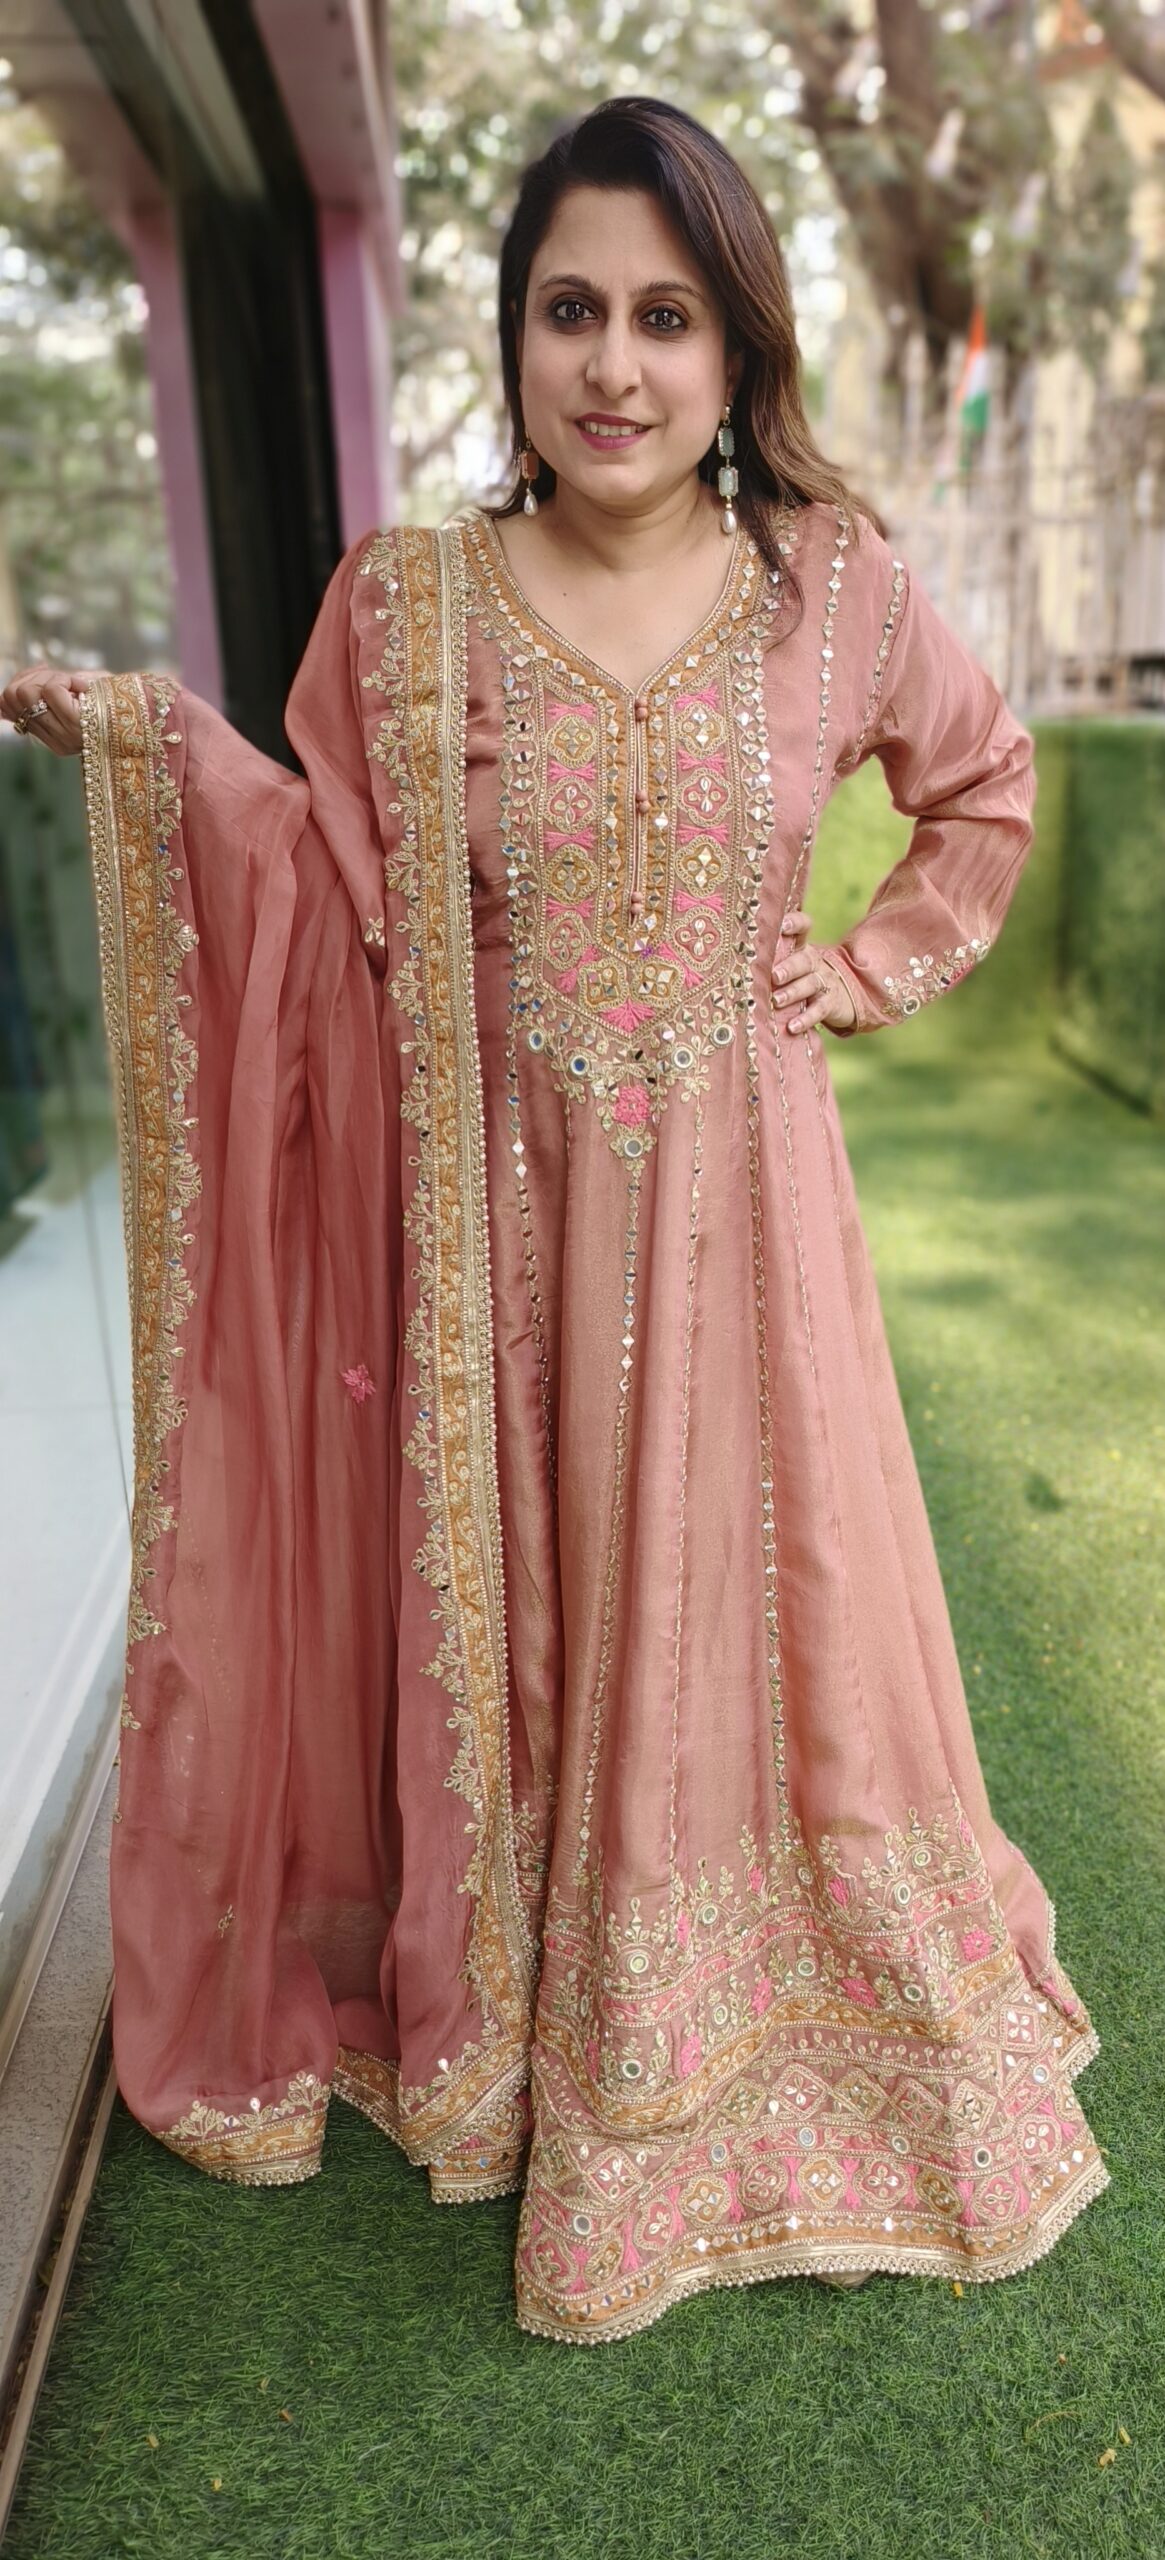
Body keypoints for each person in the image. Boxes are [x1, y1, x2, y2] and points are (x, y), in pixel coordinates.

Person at [2, 96, 1106, 2346]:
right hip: (497, 1262)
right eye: (570, 310)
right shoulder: (405, 610)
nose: (615, 364)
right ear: (510, 336)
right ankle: (532, 1980)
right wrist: (155, 754)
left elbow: (981, 789)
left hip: (752, 1245)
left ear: (737, 351)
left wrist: (866, 964)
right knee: (542, 1595)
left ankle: (774, 1989)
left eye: (667, 318)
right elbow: (321, 898)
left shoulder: (832, 587)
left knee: (766, 1587)